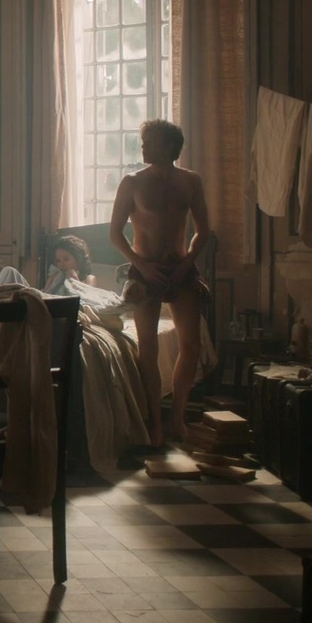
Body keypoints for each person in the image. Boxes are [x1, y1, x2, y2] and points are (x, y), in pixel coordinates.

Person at [109, 119, 212, 446]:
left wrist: (187, 264)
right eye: (143, 142)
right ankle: (154, 422)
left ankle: (176, 418)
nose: (143, 147)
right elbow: (115, 234)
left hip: (181, 269)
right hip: (145, 271)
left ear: (168, 145)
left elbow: (203, 231)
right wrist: (141, 265)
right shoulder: (132, 182)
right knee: (148, 347)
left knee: (192, 345)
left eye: (149, 142)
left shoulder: (190, 181)